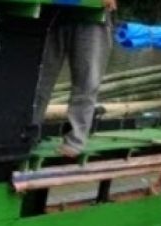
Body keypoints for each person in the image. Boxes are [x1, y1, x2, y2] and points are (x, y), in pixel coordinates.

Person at [32, 0, 117, 158]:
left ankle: (75, 141)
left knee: (87, 82)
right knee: (37, 81)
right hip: (52, 13)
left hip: (92, 16)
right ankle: (28, 134)